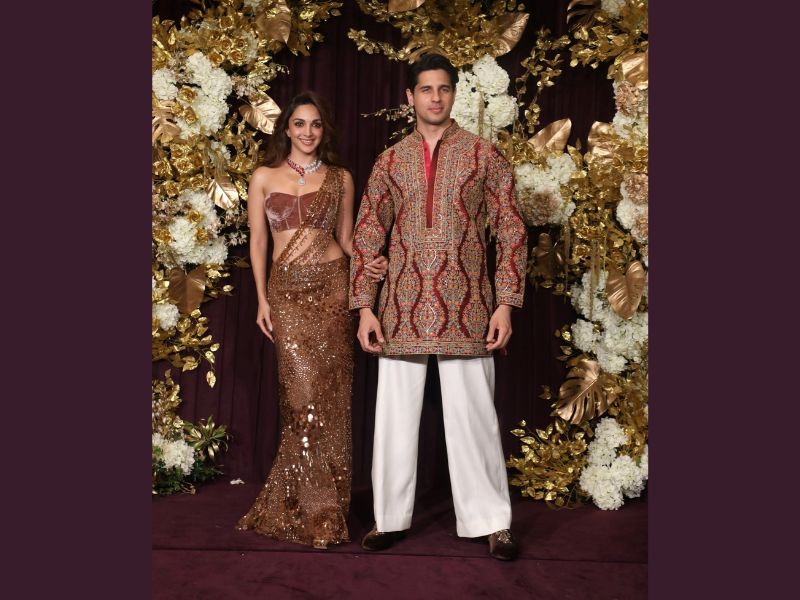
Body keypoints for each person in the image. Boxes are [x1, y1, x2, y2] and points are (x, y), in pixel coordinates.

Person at [349, 53, 528, 561]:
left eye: (443, 88)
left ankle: (492, 521)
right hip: (401, 307)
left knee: (474, 417)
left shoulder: (483, 155)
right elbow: (367, 234)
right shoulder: (390, 161)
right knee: (394, 418)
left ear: (454, 94)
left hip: (468, 306)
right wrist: (365, 306)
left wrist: (505, 303)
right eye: (426, 89)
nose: (435, 97)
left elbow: (511, 229)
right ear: (410, 97)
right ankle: (389, 518)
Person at [238, 91, 387, 549]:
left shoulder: (341, 178)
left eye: (315, 124)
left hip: (333, 290)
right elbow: (258, 242)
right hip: (286, 295)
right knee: (301, 400)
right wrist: (262, 300)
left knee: (333, 401)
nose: (308, 132)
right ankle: (304, 501)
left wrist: (368, 262)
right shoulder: (263, 177)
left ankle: (326, 511)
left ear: (324, 130)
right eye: (300, 124)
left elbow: (346, 237)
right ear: (286, 129)